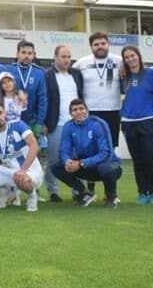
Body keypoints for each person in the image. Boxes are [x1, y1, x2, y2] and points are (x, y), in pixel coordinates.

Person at [72, 32, 123, 195]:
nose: (100, 47)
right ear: (91, 47)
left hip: (112, 112)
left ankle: (110, 191)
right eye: (96, 44)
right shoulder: (81, 63)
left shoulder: (119, 61)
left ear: (108, 44)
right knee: (88, 150)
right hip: (90, 113)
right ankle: (90, 188)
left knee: (109, 151)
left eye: (103, 43)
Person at [53, 99, 122, 208]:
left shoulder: (98, 124)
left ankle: (111, 197)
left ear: (87, 110)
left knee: (106, 168)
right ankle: (85, 194)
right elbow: (64, 150)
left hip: (109, 166)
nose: (79, 112)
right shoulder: (68, 126)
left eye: (81, 108)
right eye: (75, 110)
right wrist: (67, 161)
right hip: (86, 167)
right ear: (71, 113)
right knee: (56, 167)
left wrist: (81, 163)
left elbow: (106, 153)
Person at [119, 44, 153, 205]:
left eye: (132, 55)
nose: (130, 59)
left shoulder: (152, 74)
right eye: (127, 57)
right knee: (137, 160)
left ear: (139, 55)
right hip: (129, 123)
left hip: (149, 121)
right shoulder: (123, 76)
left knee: (149, 159)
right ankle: (142, 192)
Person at [43, 44, 83, 203]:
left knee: (76, 159)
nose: (67, 60)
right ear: (55, 57)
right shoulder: (47, 76)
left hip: (76, 124)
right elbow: (44, 100)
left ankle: (77, 190)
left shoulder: (77, 74)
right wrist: (45, 122)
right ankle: (53, 191)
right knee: (54, 160)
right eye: (63, 57)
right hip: (56, 124)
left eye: (69, 57)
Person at [7, 40, 47, 139]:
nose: (26, 56)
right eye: (23, 52)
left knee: (32, 152)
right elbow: (1, 92)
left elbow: (43, 100)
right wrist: (17, 91)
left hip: (32, 122)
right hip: (11, 120)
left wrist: (40, 123)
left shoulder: (39, 73)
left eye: (30, 53)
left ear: (33, 55)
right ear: (17, 54)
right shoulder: (8, 70)